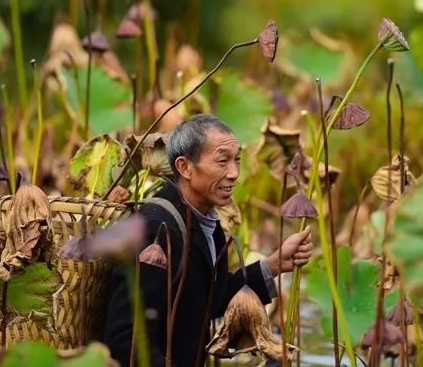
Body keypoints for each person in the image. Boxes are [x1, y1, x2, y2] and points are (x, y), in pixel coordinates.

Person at [102, 114, 313, 366]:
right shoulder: (154, 230)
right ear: (185, 167)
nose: (234, 173)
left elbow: (207, 303)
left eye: (237, 161)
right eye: (222, 161)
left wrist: (273, 265)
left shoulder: (207, 223)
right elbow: (126, 342)